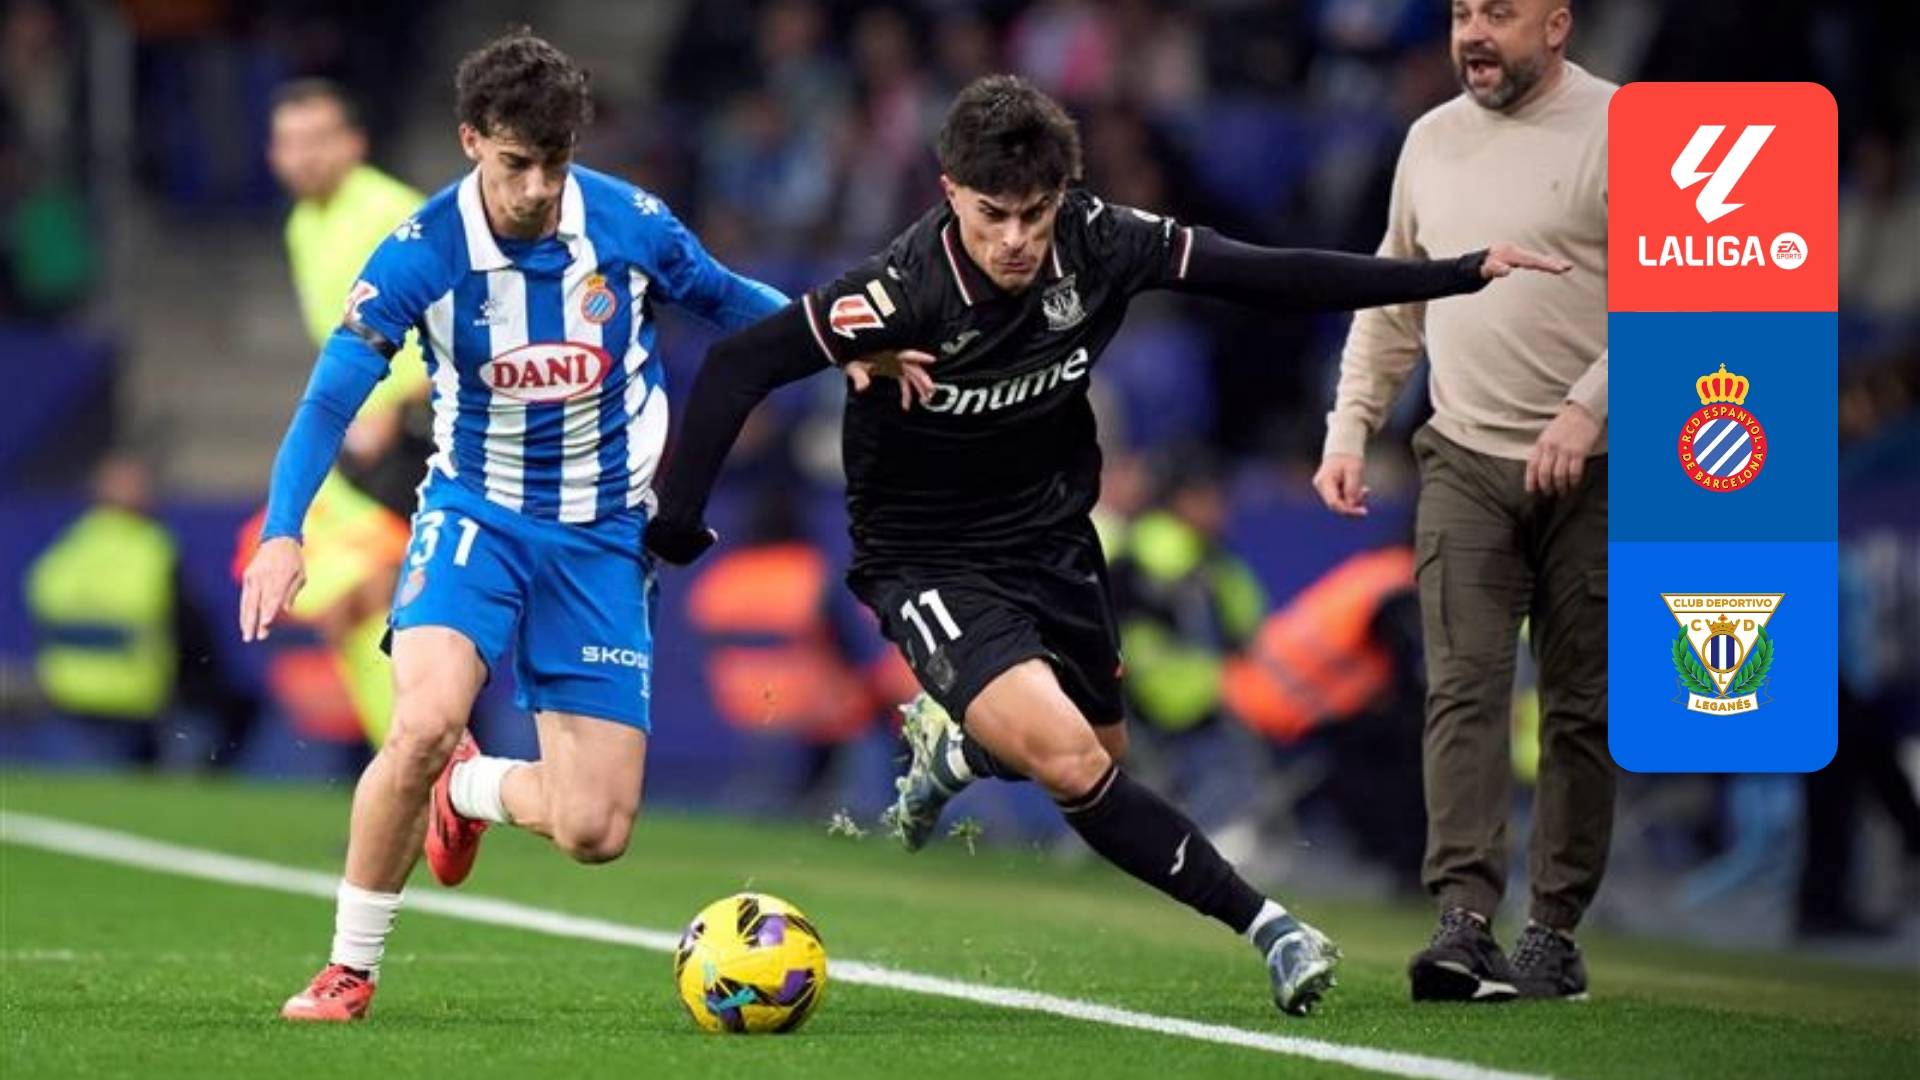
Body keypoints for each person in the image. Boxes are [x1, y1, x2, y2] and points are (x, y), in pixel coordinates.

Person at [645, 73, 1568, 1017]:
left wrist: (1452, 274)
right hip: (927, 557)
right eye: (992, 215)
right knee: (1072, 762)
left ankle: (958, 750)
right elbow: (737, 364)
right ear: (950, 192)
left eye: (1034, 213)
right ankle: (1273, 928)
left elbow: (1270, 275)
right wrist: (677, 523)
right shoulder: (899, 290)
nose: (1015, 238)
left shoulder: (1102, 241)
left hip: (1051, 538)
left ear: (1065, 194)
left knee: (1098, 750)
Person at [238, 30, 791, 1023]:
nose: (537, 187)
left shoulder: (628, 223)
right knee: (421, 725)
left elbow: (726, 301)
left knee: (595, 830)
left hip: (604, 539)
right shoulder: (423, 250)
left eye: (555, 161)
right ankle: (349, 969)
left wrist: (847, 340)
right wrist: (285, 530)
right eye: (515, 163)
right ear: (471, 142)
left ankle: (470, 793)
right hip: (476, 518)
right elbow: (329, 399)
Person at [1312, 0, 1612, 1002]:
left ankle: (1553, 931)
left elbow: (1686, 300)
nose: (1473, 33)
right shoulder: (1429, 140)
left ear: (1557, 25)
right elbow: (1392, 296)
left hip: (1601, 467)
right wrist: (1350, 427)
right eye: (1460, 13)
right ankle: (1465, 923)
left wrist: (1588, 409)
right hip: (1465, 457)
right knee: (1462, 690)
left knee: (1580, 706)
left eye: (1500, 14)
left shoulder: (1627, 131)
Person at [236, 78, 430, 747]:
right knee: (344, 602)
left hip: (420, 428)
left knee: (379, 591)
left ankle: (425, 753)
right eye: (290, 142)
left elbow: (448, 319)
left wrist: (395, 405)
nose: (305, 155)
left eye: (319, 139)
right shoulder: (302, 224)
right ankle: (408, 752)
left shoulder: (393, 211)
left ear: (354, 143)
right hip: (364, 434)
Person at [28, 454, 256, 769]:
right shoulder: (153, 550)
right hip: (133, 698)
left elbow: (41, 613)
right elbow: (190, 627)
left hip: (68, 695)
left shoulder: (66, 551)